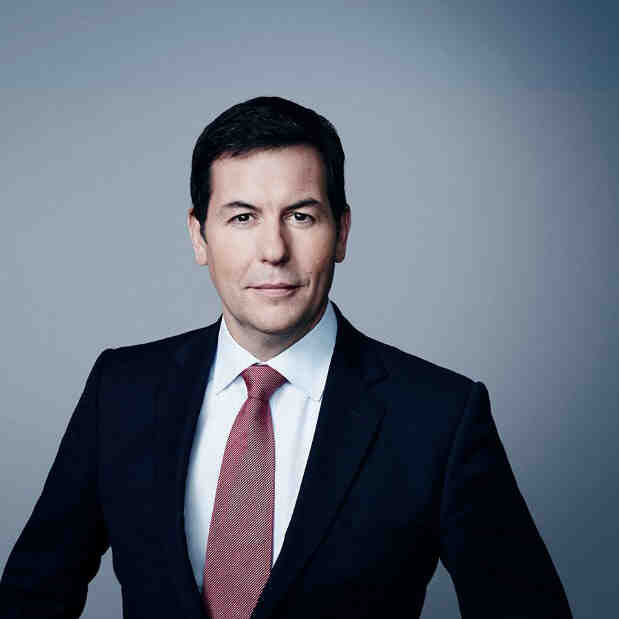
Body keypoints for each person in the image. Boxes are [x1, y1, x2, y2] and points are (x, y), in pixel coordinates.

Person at [0, 96, 572, 619]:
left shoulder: (439, 416)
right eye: (242, 217)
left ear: (341, 233)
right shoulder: (121, 391)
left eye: (301, 216)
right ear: (199, 236)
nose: (273, 250)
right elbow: (31, 596)